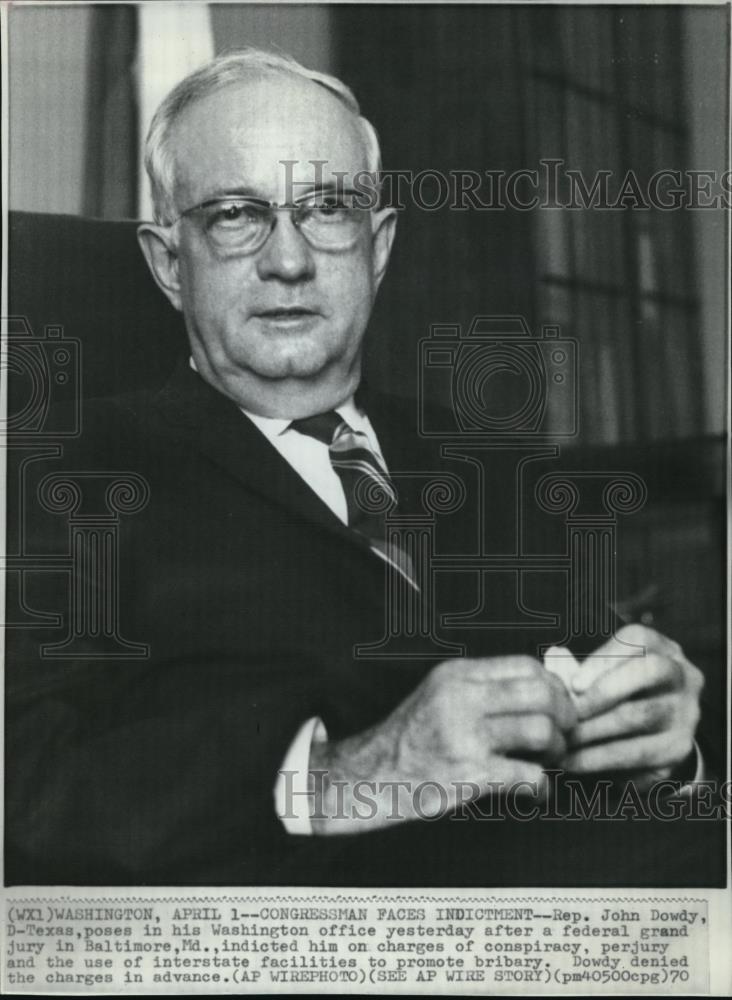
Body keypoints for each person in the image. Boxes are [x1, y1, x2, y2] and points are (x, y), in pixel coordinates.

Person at [5, 49, 713, 887]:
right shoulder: (59, 472)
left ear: (376, 248)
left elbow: (606, 694)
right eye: (237, 214)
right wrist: (349, 776)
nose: (290, 261)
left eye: (328, 209)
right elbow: (28, 787)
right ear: (168, 263)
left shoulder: (483, 460)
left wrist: (667, 750)